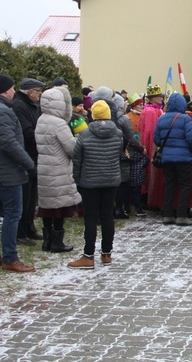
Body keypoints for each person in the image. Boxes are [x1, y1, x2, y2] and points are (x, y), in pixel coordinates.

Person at [0, 74, 36, 273]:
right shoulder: (3, 111)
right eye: (12, 88)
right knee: (13, 213)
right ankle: (10, 258)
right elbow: (8, 143)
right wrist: (29, 163)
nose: (14, 91)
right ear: (5, 90)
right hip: (7, 170)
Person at [69, 100, 124, 269]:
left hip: (90, 181)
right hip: (111, 180)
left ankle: (88, 255)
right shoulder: (118, 134)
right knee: (108, 216)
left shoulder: (85, 134)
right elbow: (119, 154)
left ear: (93, 114)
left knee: (90, 217)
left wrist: (77, 178)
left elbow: (77, 158)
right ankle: (107, 253)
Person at [35, 86, 79, 253]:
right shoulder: (59, 123)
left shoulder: (41, 119)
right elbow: (71, 148)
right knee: (59, 206)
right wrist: (77, 139)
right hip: (58, 167)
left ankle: (46, 241)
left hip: (44, 166)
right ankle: (57, 243)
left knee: (47, 206)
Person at [154, 93, 192, 226]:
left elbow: (156, 140)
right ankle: (181, 215)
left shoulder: (161, 119)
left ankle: (167, 215)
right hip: (184, 157)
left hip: (167, 158)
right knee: (185, 185)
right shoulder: (185, 119)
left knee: (169, 185)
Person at [12, 77, 45, 245]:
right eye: (38, 91)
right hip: (26, 155)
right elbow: (27, 132)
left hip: (35, 155)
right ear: (30, 92)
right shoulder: (19, 106)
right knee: (25, 196)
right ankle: (20, 231)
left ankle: (29, 226)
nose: (40, 95)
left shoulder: (34, 106)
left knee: (32, 196)